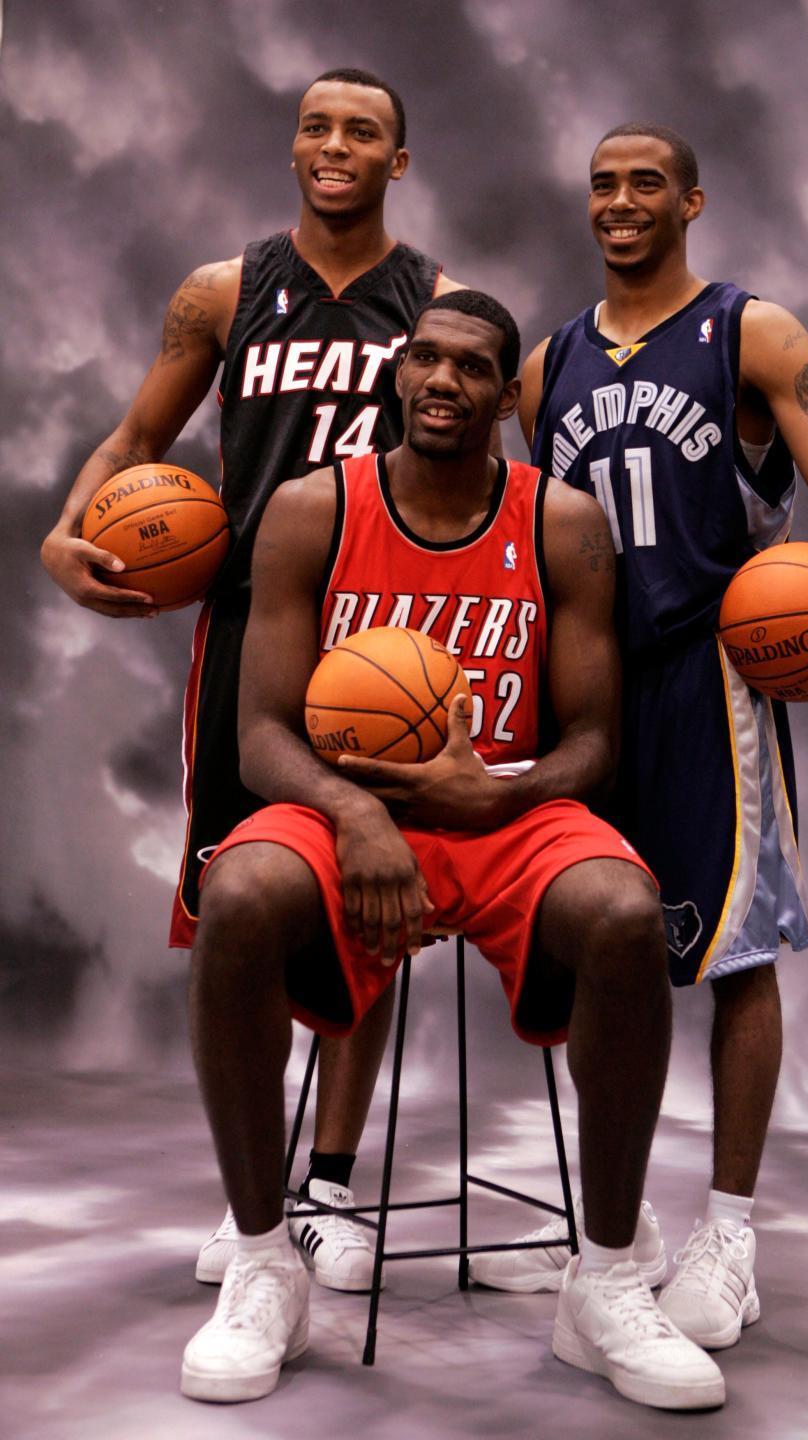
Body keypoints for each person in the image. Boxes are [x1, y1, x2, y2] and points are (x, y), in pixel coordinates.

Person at [180, 289, 726, 1410]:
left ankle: (607, 1276)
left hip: (502, 808)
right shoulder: (310, 507)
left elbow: (594, 743)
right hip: (344, 808)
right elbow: (261, 734)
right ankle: (263, 1256)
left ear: (504, 392)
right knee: (237, 892)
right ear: (400, 372)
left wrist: (494, 794)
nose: (442, 380)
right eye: (424, 358)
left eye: (472, 367)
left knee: (626, 913)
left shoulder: (560, 520)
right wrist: (361, 814)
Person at [467, 124, 808, 1350]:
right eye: (604, 185)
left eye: (646, 184)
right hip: (589, 697)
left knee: (734, 956)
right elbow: (537, 544)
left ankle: (731, 1230)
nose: (621, 203)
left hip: (711, 678)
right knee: (591, 958)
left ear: (692, 200)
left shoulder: (752, 332)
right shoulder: (548, 361)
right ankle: (618, 1233)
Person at [40, 68, 472, 1289]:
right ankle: (256, 1199)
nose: (336, 145)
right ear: (295, 146)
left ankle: (330, 1187)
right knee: (249, 901)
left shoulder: (436, 302)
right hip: (250, 631)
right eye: (318, 126)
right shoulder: (224, 292)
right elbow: (134, 444)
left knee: (374, 910)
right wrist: (64, 535)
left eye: (365, 132)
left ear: (400, 159)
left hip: (389, 633)